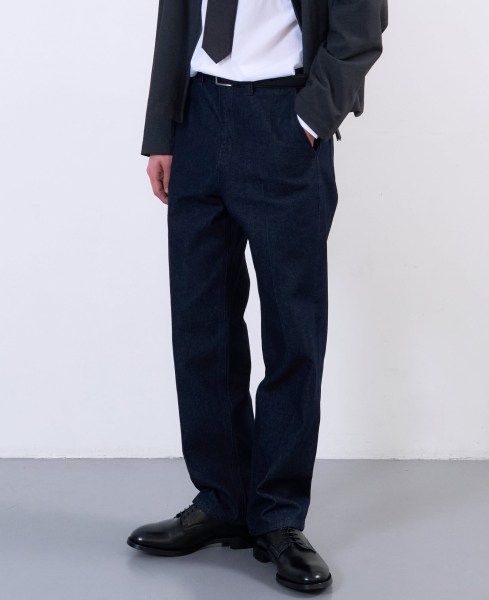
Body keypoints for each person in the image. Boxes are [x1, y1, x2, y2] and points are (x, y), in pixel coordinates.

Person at [127, 0, 388, 592]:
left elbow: (361, 28)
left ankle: (278, 516)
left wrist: (310, 118)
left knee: (293, 333)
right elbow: (175, 18)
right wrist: (162, 131)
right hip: (198, 118)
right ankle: (223, 499)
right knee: (202, 327)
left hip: (282, 119)